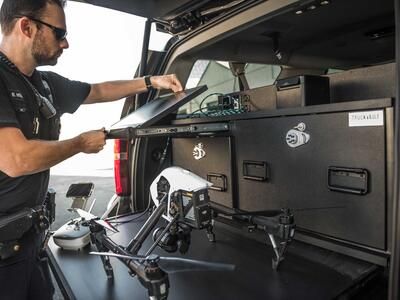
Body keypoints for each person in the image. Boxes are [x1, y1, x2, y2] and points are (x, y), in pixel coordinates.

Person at [0, 0, 183, 299]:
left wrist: (151, 81)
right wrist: (80, 144)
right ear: (26, 26)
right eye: (59, 33)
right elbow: (15, 159)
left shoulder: (43, 84)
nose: (66, 43)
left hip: (30, 241)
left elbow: (97, 90)